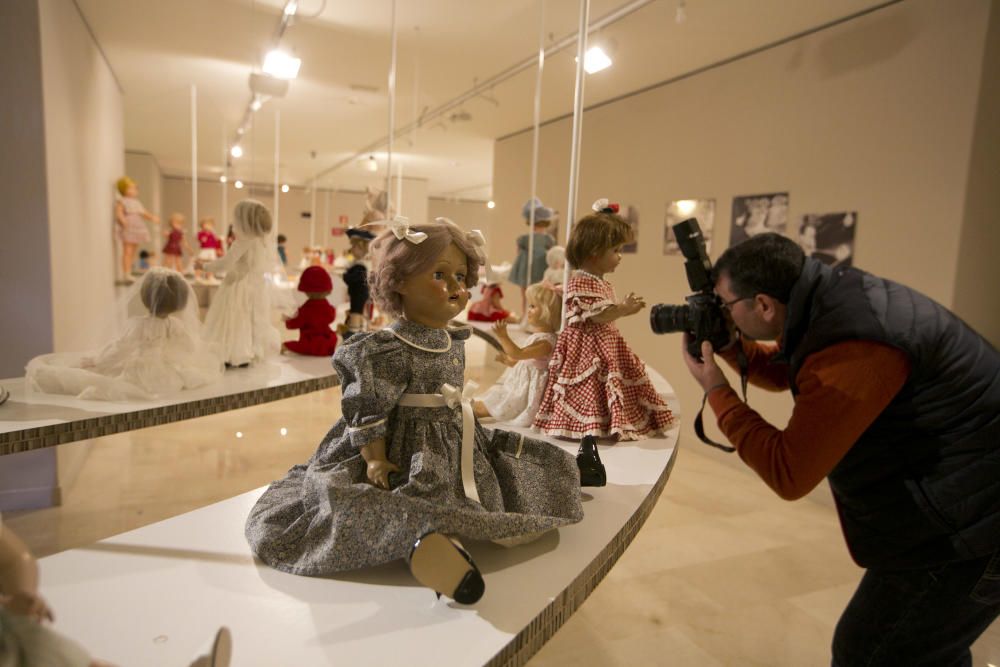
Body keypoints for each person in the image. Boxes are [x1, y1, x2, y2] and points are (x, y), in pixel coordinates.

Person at [680, 232, 1000, 666]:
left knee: (872, 651)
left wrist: (716, 389)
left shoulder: (854, 344)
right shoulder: (830, 300)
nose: (724, 315)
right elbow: (794, 372)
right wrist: (733, 349)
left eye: (726, 306)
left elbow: (788, 472)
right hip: (962, 499)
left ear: (764, 305)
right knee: (927, 651)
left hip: (972, 525)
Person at [244, 218, 583, 605]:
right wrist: (374, 459)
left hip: (451, 437)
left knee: (506, 467)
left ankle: (439, 537)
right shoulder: (384, 348)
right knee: (379, 496)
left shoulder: (450, 336)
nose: (456, 287)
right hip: (404, 446)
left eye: (460, 276)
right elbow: (369, 409)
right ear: (399, 282)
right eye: (440, 275)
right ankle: (426, 545)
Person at [533, 199, 676, 441]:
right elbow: (597, 315)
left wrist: (623, 310)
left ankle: (608, 423)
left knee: (608, 385)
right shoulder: (581, 281)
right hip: (587, 348)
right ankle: (586, 425)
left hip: (605, 343)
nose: (620, 257)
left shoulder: (599, 282)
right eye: (616, 251)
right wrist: (622, 309)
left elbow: (604, 313)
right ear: (594, 253)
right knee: (590, 384)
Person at [26, 268, 223, 401]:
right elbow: (188, 346)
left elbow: (120, 348)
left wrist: (99, 361)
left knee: (108, 382)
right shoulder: (175, 325)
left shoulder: (138, 326)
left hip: (140, 372)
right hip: (166, 373)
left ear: (146, 297)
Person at [201, 200, 281, 368]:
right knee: (249, 318)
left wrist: (204, 266)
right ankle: (247, 351)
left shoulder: (243, 241)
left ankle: (231, 353)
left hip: (236, 285)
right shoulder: (261, 241)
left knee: (234, 319)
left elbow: (226, 262)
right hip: (254, 286)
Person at [473, 281, 561, 426]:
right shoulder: (539, 338)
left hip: (527, 387)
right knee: (498, 398)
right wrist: (508, 361)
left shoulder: (546, 342)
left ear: (547, 311)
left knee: (505, 403)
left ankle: (472, 411)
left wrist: (503, 336)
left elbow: (518, 353)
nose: (528, 310)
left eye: (533, 306)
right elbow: (524, 361)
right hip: (519, 381)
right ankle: (473, 409)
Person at [509, 198, 556, 314]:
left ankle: (532, 315)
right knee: (529, 294)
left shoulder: (546, 239)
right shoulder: (528, 238)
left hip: (538, 267)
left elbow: (552, 255)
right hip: (529, 266)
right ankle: (527, 315)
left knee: (535, 294)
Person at [281, 266, 337, 357]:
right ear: (328, 290)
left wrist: (287, 319)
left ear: (306, 291)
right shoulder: (328, 307)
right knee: (332, 339)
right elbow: (331, 318)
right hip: (326, 340)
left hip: (310, 341)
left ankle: (285, 346)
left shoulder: (305, 310)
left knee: (299, 346)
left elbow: (294, 324)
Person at [113, 176, 159, 284]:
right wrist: (123, 220)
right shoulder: (122, 201)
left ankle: (129, 271)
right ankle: (126, 272)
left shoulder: (136, 203)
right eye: (131, 188)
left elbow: (144, 213)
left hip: (137, 226)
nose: (134, 191)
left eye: (134, 188)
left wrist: (153, 218)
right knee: (127, 251)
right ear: (123, 189)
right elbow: (119, 211)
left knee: (133, 251)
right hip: (129, 226)